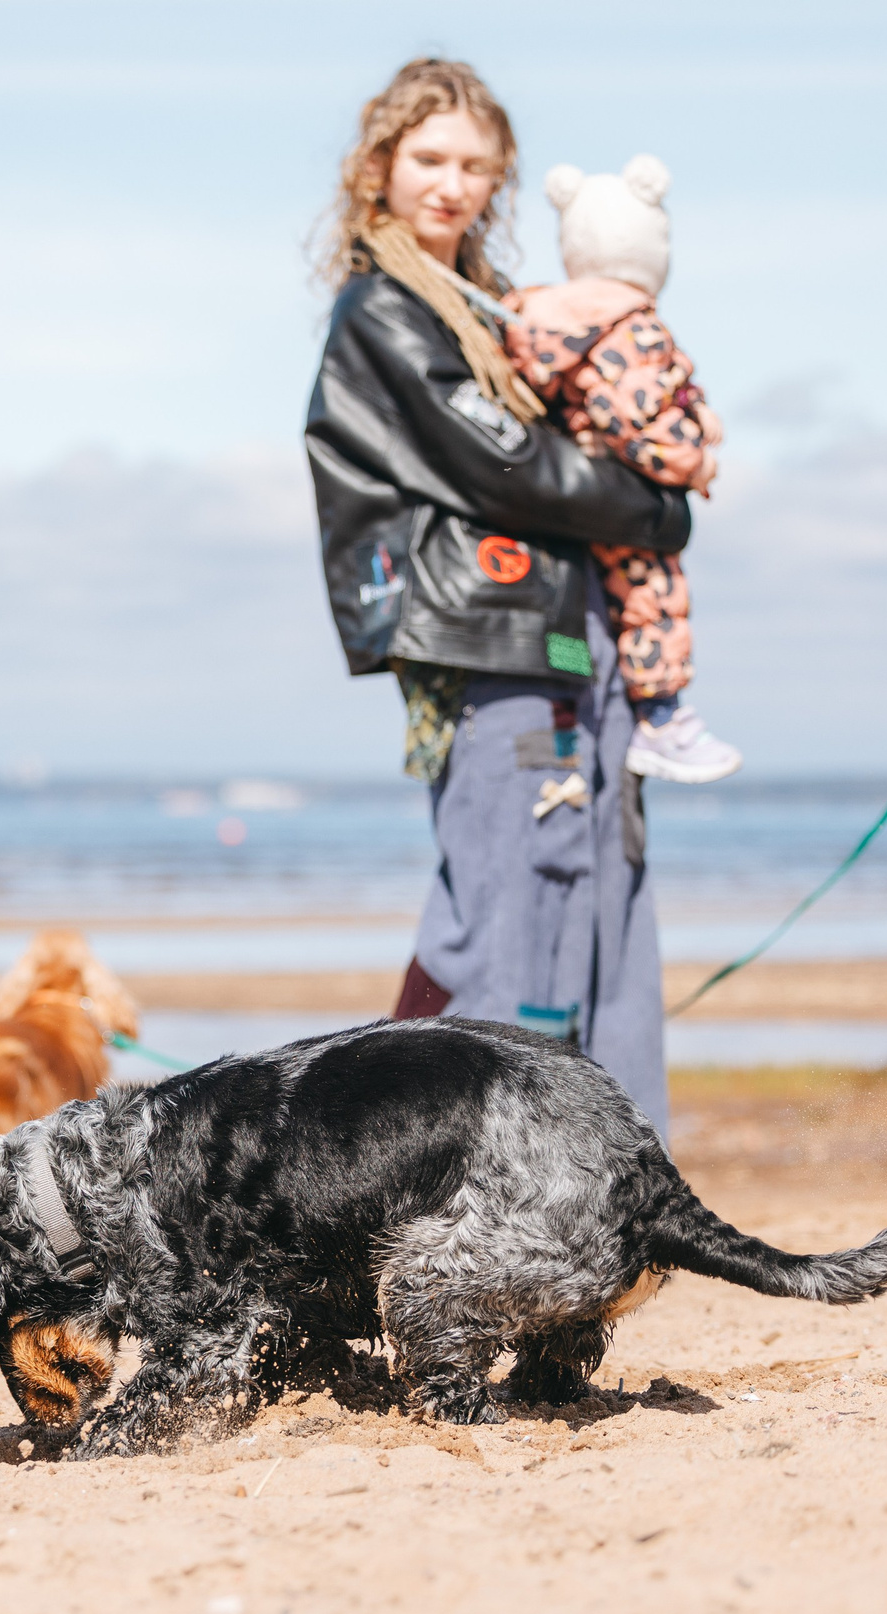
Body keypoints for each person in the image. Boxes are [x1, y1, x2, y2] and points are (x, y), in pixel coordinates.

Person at [306, 59, 693, 1132]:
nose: (451, 184)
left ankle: (618, 1172)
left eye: (477, 166)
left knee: (600, 896)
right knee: (509, 912)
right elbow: (508, 468)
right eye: (428, 158)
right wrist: (658, 512)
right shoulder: (384, 310)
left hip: (562, 635)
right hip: (486, 646)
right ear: (377, 167)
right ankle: (478, 1174)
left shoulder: (482, 309)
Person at [507, 155, 741, 784]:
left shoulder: (542, 322)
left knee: (604, 614)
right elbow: (633, 411)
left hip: (577, 493)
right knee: (654, 599)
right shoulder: (629, 327)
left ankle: (641, 714)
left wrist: (694, 407)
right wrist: (694, 461)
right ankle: (661, 716)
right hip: (621, 495)